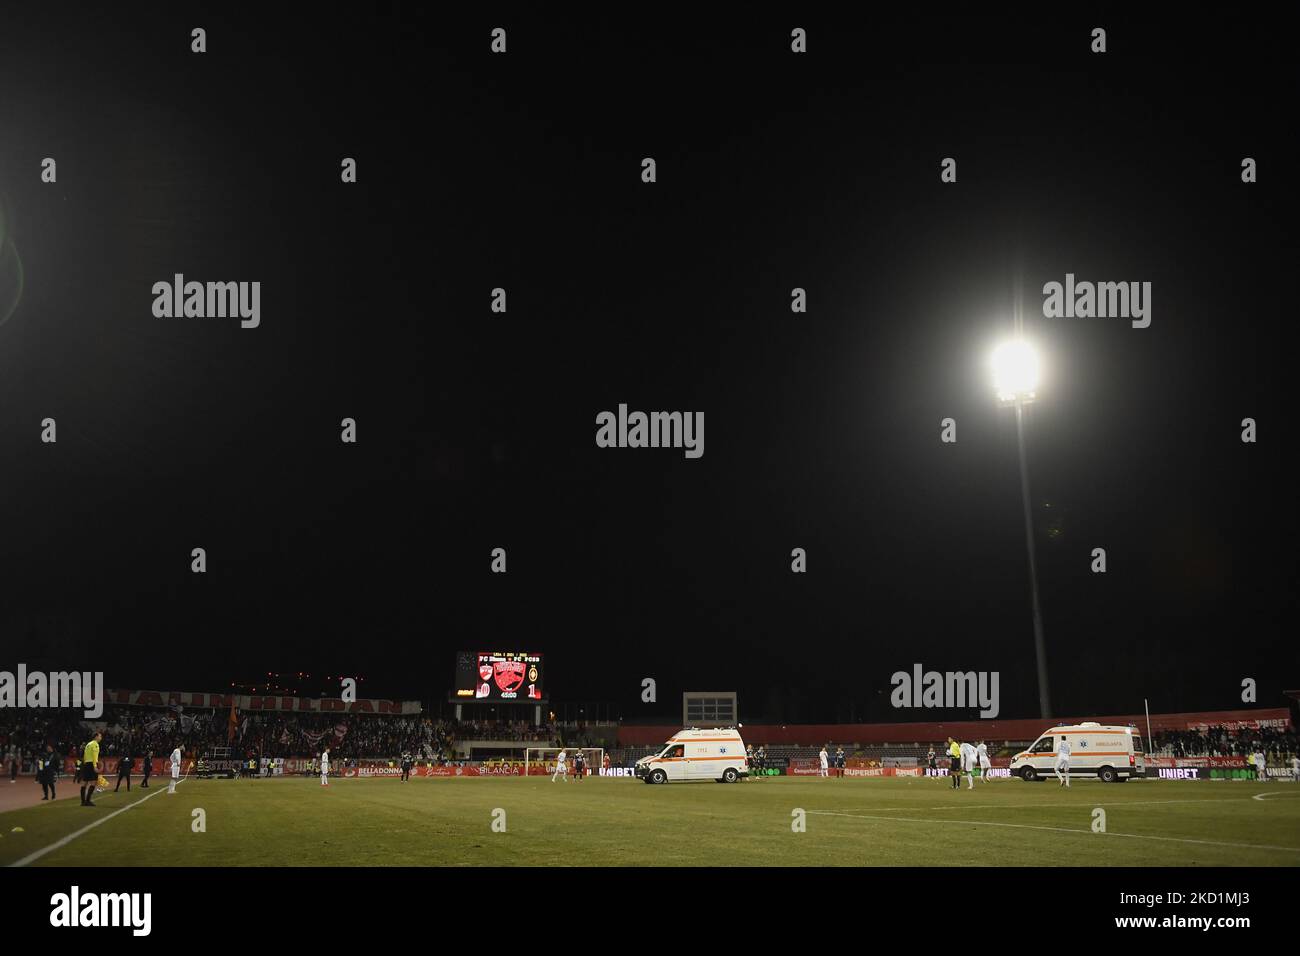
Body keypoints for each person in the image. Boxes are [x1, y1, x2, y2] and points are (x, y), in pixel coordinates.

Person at [80, 731, 103, 807]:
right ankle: (88, 801)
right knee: (93, 782)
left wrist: (85, 764)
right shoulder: (95, 744)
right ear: (96, 737)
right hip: (91, 764)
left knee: (84, 783)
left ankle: (83, 802)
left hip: (86, 763)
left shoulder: (88, 744)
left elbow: (85, 755)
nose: (101, 738)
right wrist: (95, 766)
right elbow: (94, 756)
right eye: (100, 736)